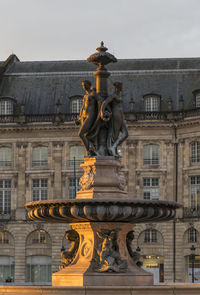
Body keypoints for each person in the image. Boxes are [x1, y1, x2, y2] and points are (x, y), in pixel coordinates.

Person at [100, 82, 128, 157]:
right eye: (120, 86)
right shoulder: (113, 96)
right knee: (114, 134)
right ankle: (112, 148)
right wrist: (102, 112)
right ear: (117, 87)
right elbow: (104, 103)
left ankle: (113, 146)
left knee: (125, 134)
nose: (121, 88)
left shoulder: (117, 95)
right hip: (116, 115)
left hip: (120, 115)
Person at [76, 80, 99, 156]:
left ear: (89, 85)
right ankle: (91, 149)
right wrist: (79, 118)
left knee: (81, 134)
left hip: (90, 116)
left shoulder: (93, 94)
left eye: (85, 85)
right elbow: (83, 108)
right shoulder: (85, 96)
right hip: (84, 117)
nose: (84, 87)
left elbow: (101, 102)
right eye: (83, 85)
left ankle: (90, 150)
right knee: (85, 135)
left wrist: (102, 113)